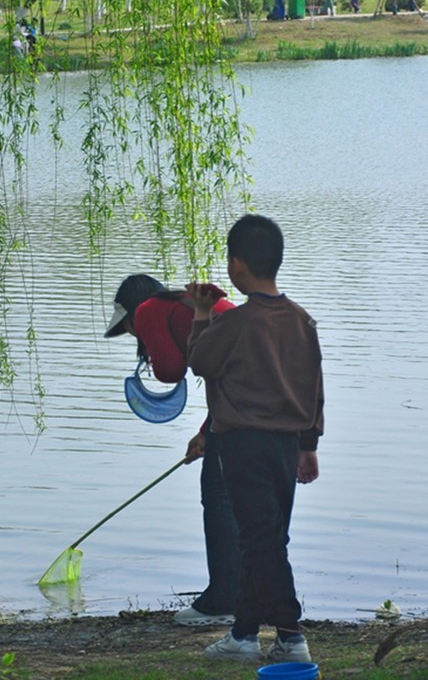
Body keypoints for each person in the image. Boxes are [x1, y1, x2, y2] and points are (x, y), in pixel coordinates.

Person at [188, 215, 325, 665]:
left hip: (243, 442)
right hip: (286, 444)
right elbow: (314, 387)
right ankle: (244, 634)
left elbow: (200, 362)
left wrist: (201, 313)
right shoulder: (302, 321)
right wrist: (309, 444)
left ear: (237, 265)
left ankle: (290, 634)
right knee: (266, 535)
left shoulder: (237, 323)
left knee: (260, 540)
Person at [103, 273, 240, 626]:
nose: (133, 334)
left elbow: (170, 371)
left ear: (132, 311)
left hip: (241, 394)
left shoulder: (149, 310)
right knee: (245, 499)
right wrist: (205, 433)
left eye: (128, 328)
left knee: (219, 496)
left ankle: (223, 601)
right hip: (263, 387)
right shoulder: (180, 306)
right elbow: (229, 381)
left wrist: (152, 350)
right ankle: (251, 594)